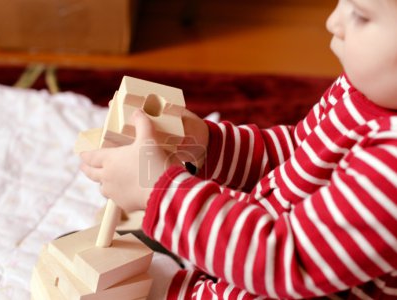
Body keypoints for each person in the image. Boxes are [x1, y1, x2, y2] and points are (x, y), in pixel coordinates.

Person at [80, 0, 397, 298]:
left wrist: (156, 191)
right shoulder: (365, 90)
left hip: (281, 274)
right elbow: (295, 159)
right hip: (259, 257)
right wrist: (206, 144)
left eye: (361, 15)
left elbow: (288, 259)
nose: (333, 22)